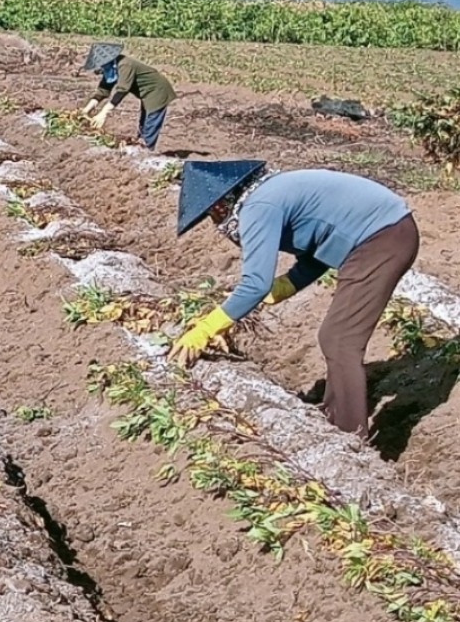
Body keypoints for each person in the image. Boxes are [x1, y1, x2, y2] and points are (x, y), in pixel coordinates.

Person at [170, 160, 418, 438]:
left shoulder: (257, 207)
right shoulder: (266, 193)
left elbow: (255, 284)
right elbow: (321, 243)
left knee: (340, 339)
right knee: (335, 338)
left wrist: (206, 328)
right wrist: (289, 283)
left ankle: (350, 435)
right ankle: (337, 418)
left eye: (212, 214)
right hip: (384, 232)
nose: (216, 222)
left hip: (383, 237)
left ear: (221, 203)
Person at [80, 43, 175, 150]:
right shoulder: (110, 68)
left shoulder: (124, 65)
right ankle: (140, 148)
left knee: (150, 124)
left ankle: (146, 151)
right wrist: (85, 110)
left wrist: (103, 113)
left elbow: (121, 91)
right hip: (146, 93)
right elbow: (103, 91)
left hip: (158, 91)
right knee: (143, 124)